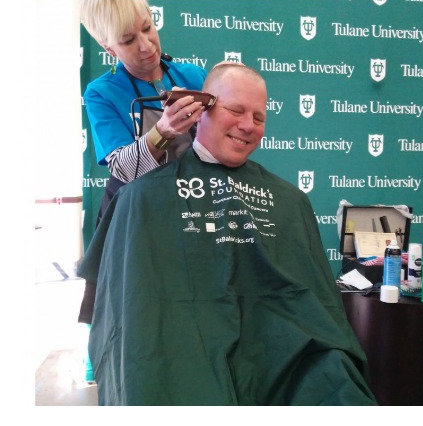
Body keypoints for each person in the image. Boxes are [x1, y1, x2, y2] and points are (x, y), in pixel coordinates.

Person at [76, 62, 377, 405]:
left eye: (259, 118)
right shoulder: (143, 196)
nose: (248, 125)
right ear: (200, 111)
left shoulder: (290, 200)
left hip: (283, 356)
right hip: (178, 353)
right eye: (236, 110)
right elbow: (129, 317)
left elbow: (319, 310)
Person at [77, 0, 208, 349]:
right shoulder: (102, 92)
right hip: (132, 216)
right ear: (108, 47)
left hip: (192, 210)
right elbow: (122, 166)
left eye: (147, 29)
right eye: (129, 39)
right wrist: (161, 131)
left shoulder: (192, 76)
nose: (147, 45)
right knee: (134, 322)